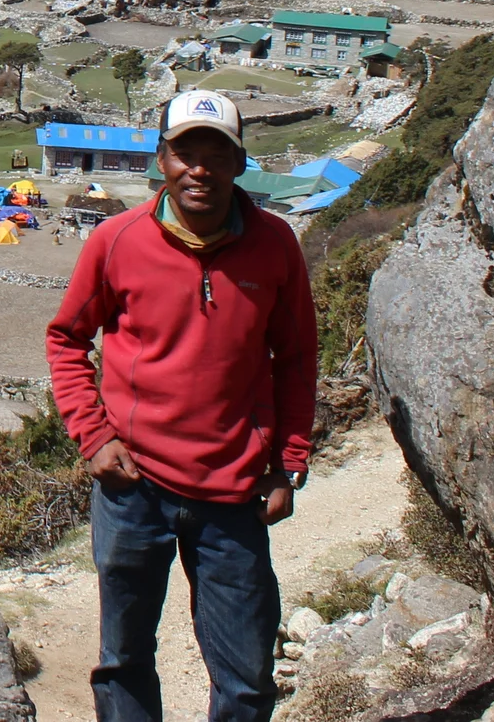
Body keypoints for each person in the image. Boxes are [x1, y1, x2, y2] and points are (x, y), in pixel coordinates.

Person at [45, 90, 318, 722]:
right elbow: (66, 338)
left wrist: (289, 460)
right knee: (125, 660)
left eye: (216, 155)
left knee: (247, 676)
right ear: (161, 161)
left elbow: (298, 358)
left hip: (234, 491)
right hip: (132, 486)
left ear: (239, 164)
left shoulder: (275, 246)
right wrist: (93, 436)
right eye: (185, 153)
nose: (200, 169)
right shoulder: (116, 242)